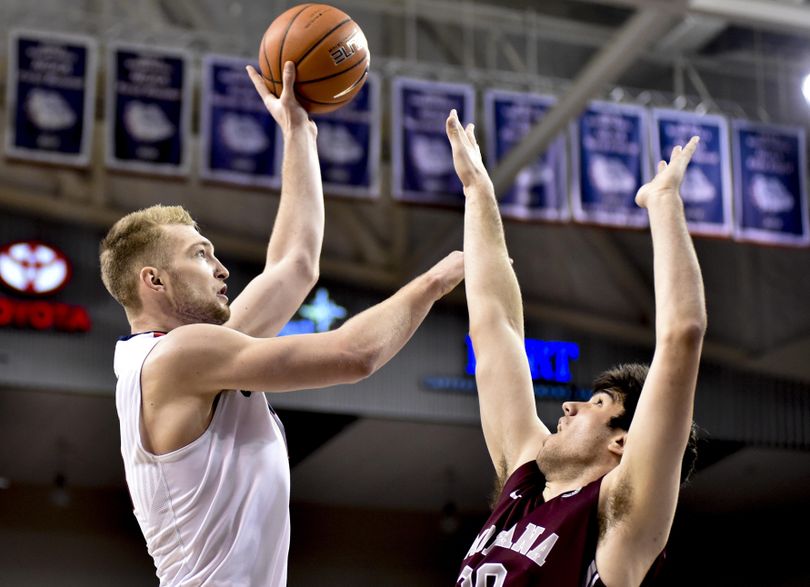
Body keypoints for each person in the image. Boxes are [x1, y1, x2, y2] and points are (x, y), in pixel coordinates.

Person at [99, 61, 464, 587]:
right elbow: (352, 356)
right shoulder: (180, 356)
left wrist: (297, 134)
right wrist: (435, 281)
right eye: (201, 255)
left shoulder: (188, 355)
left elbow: (295, 265)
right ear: (153, 281)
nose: (221, 269)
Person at [444, 109, 704, 586]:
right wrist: (477, 190)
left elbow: (682, 335)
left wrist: (664, 202)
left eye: (597, 404)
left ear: (622, 440)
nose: (568, 404)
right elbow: (494, 329)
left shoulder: (619, 513)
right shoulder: (523, 485)